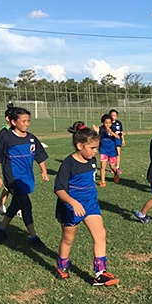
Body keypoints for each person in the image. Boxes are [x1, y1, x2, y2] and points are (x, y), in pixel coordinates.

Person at [54, 122, 119, 286]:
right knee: (68, 239)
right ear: (79, 145)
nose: (95, 151)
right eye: (92, 148)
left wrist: (96, 134)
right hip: (70, 207)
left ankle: (100, 273)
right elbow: (59, 189)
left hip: (90, 204)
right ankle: (62, 266)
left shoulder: (91, 159)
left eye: (96, 148)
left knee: (100, 234)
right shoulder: (68, 164)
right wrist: (72, 202)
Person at [0, 107, 49, 246]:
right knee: (26, 205)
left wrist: (44, 171)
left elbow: (39, 155)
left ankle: (1, 229)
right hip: (13, 178)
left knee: (16, 204)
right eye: (23, 121)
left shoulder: (31, 138)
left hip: (26, 177)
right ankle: (33, 237)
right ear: (13, 122)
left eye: (28, 121)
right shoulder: (7, 138)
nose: (26, 123)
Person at [0, 103, 16, 215]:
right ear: (8, 119)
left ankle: (0, 204)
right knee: (14, 184)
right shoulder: (4, 132)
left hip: (16, 161)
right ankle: (18, 207)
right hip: (8, 162)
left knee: (12, 184)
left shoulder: (15, 130)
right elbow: (0, 151)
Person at [93, 113, 120, 187]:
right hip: (103, 150)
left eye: (109, 123)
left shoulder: (114, 128)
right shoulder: (101, 129)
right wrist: (97, 132)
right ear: (103, 122)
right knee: (103, 166)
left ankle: (116, 174)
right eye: (106, 123)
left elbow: (118, 137)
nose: (108, 125)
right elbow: (97, 138)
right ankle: (103, 181)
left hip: (112, 151)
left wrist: (111, 132)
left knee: (112, 166)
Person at [109, 109, 125, 174]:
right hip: (110, 140)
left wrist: (123, 140)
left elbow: (121, 132)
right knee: (112, 154)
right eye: (112, 115)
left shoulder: (119, 123)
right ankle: (112, 167)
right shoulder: (108, 123)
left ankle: (117, 167)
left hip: (118, 139)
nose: (113, 116)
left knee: (118, 153)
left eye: (115, 115)